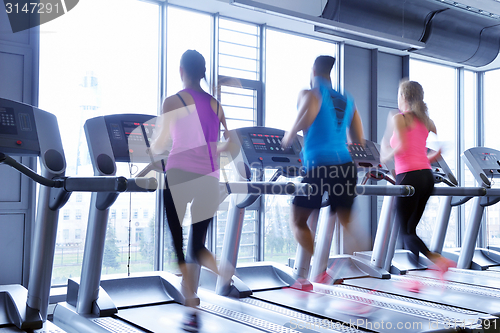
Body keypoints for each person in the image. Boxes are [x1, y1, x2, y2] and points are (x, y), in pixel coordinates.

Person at [150, 49, 229, 332]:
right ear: (202, 71)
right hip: (209, 178)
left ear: (182, 70)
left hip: (180, 173)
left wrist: (152, 155)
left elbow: (160, 142)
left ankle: (189, 294)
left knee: (177, 236)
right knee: (198, 242)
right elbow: (225, 142)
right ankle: (204, 283)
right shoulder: (216, 104)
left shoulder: (173, 100)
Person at [281, 55, 365, 285]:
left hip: (319, 166)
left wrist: (287, 138)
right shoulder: (348, 99)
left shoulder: (311, 94)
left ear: (314, 71)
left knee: (298, 221)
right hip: (345, 167)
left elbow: (300, 124)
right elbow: (359, 139)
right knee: (348, 224)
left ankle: (316, 271)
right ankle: (366, 281)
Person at [380, 79, 456, 292]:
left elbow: (402, 146)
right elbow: (437, 152)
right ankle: (414, 279)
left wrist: (385, 151)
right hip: (426, 177)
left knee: (406, 232)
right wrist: (422, 161)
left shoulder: (400, 118)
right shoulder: (427, 121)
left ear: (403, 96)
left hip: (409, 178)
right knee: (410, 229)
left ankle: (437, 261)